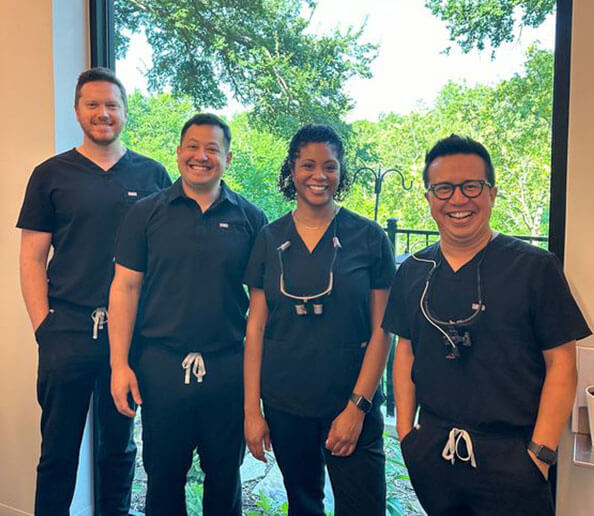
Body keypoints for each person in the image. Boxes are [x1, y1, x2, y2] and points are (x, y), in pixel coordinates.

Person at [382, 134, 591, 516]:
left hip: (513, 458)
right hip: (434, 452)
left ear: (491, 193)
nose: (458, 199)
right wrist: (407, 436)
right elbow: (405, 352)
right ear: (429, 198)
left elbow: (562, 364)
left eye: (471, 186)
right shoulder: (413, 271)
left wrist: (540, 455)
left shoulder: (534, 268)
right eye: (444, 188)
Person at [17, 67, 171, 516]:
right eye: (93, 105)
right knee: (58, 451)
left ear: (124, 112)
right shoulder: (50, 175)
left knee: (119, 451)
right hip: (66, 330)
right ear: (77, 110)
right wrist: (44, 328)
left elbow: (165, 254)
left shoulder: (152, 174)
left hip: (129, 336)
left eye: (111, 105)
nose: (103, 113)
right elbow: (32, 258)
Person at [108, 113, 267, 515]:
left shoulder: (251, 219)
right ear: (179, 152)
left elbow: (262, 307)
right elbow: (125, 289)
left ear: (228, 158)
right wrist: (119, 365)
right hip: (161, 366)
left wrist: (256, 389)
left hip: (227, 367)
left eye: (212, 149)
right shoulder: (145, 213)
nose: (201, 156)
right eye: (193, 147)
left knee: (224, 477)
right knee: (163, 477)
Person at [243, 124, 395, 515]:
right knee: (303, 504)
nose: (319, 175)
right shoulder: (270, 238)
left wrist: (357, 408)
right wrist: (252, 412)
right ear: (292, 170)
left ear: (341, 172)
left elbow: (383, 330)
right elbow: (255, 329)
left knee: (363, 508)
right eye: (308, 165)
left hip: (350, 400)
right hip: (286, 403)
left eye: (330, 166)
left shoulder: (368, 237)